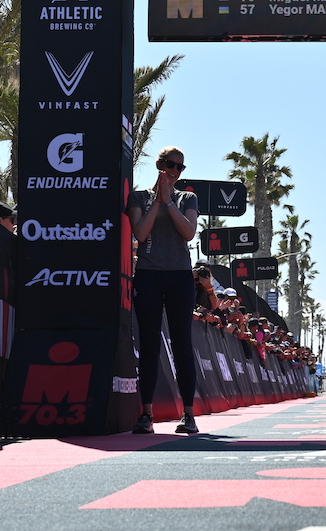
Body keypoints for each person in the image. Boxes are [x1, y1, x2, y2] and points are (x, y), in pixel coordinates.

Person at [127, 146, 200, 435]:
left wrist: (170, 203)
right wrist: (158, 201)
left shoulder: (187, 198)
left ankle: (190, 415)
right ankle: (146, 414)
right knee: (149, 345)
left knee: (182, 345)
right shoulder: (138, 197)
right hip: (148, 274)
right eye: (170, 165)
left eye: (180, 167)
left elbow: (189, 233)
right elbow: (140, 233)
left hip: (180, 275)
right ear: (159, 164)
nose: (175, 171)